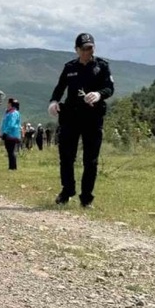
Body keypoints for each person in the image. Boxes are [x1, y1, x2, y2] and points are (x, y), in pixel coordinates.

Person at [48, 32, 114, 207]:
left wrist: (99, 94)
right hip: (70, 117)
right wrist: (53, 101)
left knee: (90, 160)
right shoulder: (70, 67)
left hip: (93, 118)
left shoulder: (102, 66)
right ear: (76, 49)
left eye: (90, 48)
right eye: (84, 48)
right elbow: (60, 87)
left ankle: (86, 198)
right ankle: (67, 190)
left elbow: (109, 87)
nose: (87, 51)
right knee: (66, 157)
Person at [0, 99, 22, 170]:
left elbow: (11, 124)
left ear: (11, 104)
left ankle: (13, 167)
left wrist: (5, 132)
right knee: (9, 150)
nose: (7, 105)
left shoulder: (13, 113)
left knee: (11, 150)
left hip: (11, 134)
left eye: (8, 103)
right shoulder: (9, 112)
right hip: (9, 134)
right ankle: (11, 166)